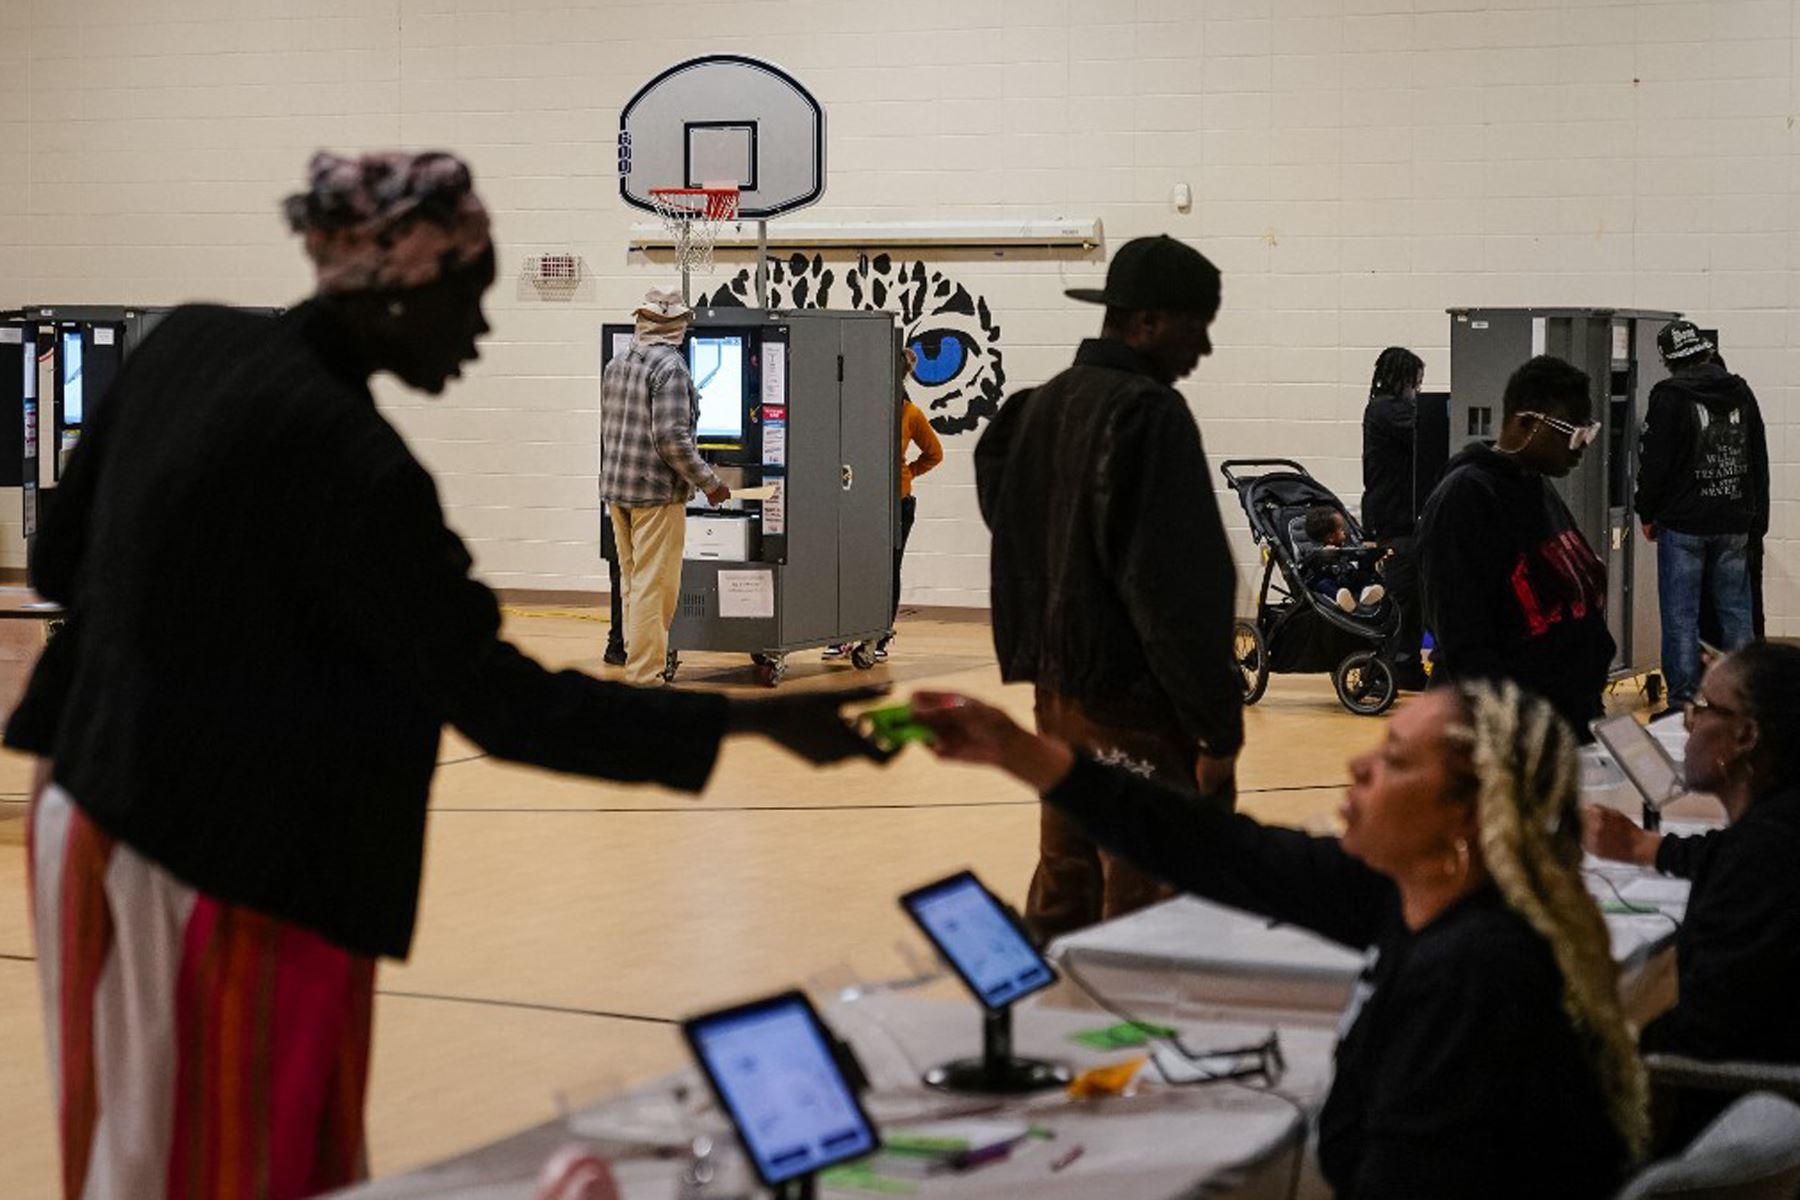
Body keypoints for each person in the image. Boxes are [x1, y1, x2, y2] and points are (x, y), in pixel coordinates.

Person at [4, 150, 885, 1200]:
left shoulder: (188, 341)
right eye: (466, 300)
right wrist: (751, 728)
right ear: (396, 290)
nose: (477, 333)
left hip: (81, 810)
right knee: (232, 1164)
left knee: (126, 1141)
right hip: (222, 852)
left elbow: (58, 559)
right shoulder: (356, 464)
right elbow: (503, 705)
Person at [914, 681, 1647, 1199]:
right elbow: (1219, 850)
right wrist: (1016, 750)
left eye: (1394, 760)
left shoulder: (1474, 974)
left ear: (1466, 818)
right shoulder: (1413, 899)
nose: (1360, 766)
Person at [975, 234, 1243, 939]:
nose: (1203, 350)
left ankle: (1042, 1028)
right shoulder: (1149, 414)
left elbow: (1006, 514)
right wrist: (1217, 730)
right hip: (1137, 706)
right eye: (1197, 328)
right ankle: (1141, 1045)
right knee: (1148, 896)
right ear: (1147, 322)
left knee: (1066, 873)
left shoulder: (1037, 406)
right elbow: (1177, 591)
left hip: (1059, 697)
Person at [1582, 641, 1800, 1148]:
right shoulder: (1772, 833)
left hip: (1725, 1126)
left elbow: (1703, 1041)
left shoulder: (1760, 866)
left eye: (1703, 710)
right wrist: (1647, 848)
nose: (1687, 724)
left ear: (1746, 735)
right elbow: (1725, 854)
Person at [1419, 355, 1612, 739]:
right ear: (1525, 423)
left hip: (1565, 721)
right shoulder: (1466, 499)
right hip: (1509, 737)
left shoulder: (1536, 485)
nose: (1581, 448)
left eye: (1588, 434)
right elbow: (1467, 644)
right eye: (1573, 435)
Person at [1634, 321, 1768, 715]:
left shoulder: (1669, 396)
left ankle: (1683, 704)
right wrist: (1755, 520)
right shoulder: (1741, 390)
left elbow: (1654, 462)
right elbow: (1757, 460)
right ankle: (1745, 701)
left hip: (1684, 523)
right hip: (1734, 519)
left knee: (1680, 617)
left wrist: (1646, 510)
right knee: (1736, 615)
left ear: (1668, 360)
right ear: (1705, 350)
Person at [599, 289, 730, 686]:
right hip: (655, 493)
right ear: (676, 327)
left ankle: (635, 666)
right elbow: (672, 438)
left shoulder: (618, 362)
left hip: (616, 489)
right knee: (655, 591)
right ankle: (646, 678)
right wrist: (710, 482)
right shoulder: (670, 368)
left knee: (633, 584)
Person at [825, 347, 942, 663]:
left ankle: (879, 633)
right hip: (858, 499)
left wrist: (905, 475)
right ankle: (842, 632)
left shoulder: (910, 413)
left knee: (889, 569)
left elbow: (935, 453)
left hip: (896, 503)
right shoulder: (859, 408)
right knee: (851, 565)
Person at [1360, 346, 1429, 689]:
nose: (1417, 388)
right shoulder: (1387, 410)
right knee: (1405, 596)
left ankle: (1405, 665)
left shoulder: (1387, 409)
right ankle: (1393, 667)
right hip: (1394, 518)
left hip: (1399, 516)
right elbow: (1424, 426)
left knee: (1413, 596)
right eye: (1415, 382)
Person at [1296, 507, 1387, 613]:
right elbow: (1304, 568)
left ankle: (1367, 593)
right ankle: (1340, 598)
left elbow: (1361, 559)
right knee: (1323, 584)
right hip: (1332, 581)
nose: (1345, 531)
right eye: (1341, 529)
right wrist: (1323, 555)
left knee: (1364, 576)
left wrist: (1372, 551)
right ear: (1330, 537)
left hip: (1349, 579)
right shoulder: (1314, 553)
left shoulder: (1349, 544)